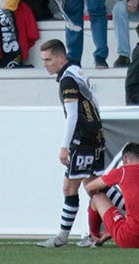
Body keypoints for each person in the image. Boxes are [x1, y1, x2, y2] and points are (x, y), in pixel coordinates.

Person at [36, 38, 107, 248]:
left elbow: (73, 115)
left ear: (60, 57)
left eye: (48, 59)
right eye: (43, 60)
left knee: (72, 187)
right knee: (94, 185)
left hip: (83, 139)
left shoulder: (67, 80)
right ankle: (113, 223)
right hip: (95, 136)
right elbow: (94, 102)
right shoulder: (76, 72)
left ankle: (63, 237)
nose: (45, 64)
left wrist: (65, 145)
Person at [82, 141, 139, 248]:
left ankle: (93, 237)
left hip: (131, 238)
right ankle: (110, 231)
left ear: (125, 159)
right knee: (134, 214)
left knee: (97, 197)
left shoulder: (124, 171)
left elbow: (90, 187)